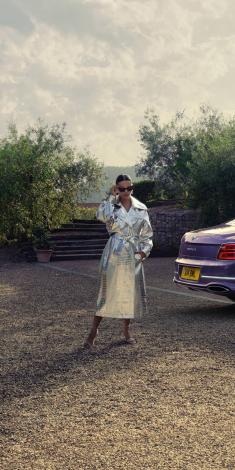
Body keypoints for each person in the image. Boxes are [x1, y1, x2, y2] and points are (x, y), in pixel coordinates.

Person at [83, 174, 153, 348]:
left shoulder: (141, 208)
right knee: (106, 292)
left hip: (133, 255)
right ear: (116, 188)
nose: (126, 191)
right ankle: (94, 330)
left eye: (129, 188)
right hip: (114, 253)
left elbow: (148, 236)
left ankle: (126, 330)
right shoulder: (111, 206)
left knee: (129, 294)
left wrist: (142, 253)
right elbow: (100, 216)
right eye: (122, 189)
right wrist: (111, 197)